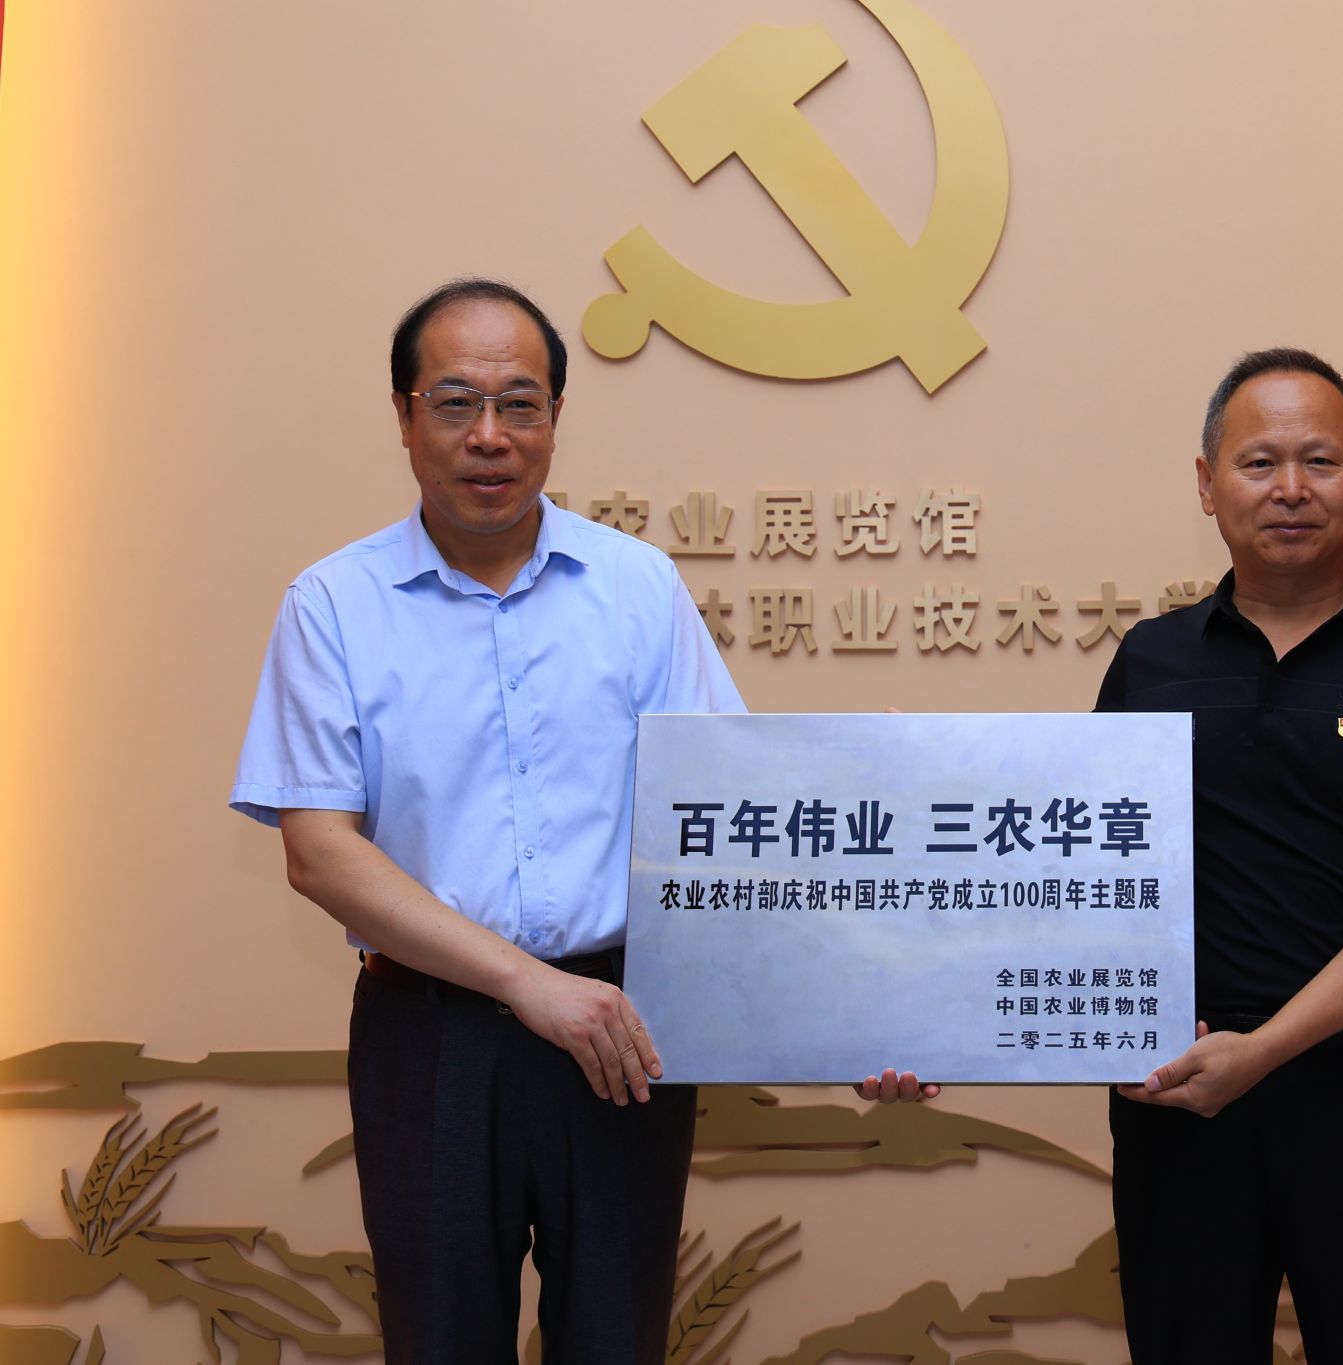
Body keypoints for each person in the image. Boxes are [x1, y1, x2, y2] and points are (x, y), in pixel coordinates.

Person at [229, 279, 931, 1364]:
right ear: (405, 416)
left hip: (621, 1032)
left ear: (556, 417)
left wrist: (855, 1015)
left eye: (521, 403)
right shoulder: (334, 604)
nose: (490, 435)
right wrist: (526, 984)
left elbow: (731, 823)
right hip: (431, 1037)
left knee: (615, 1341)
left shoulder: (636, 587)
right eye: (456, 403)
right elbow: (320, 853)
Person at [1096, 348, 1343, 1362]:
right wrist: (940, 1027)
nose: (1290, 488)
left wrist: (1265, 1051)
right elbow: (1090, 882)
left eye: (1320, 461)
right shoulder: (1149, 663)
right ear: (1207, 484)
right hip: (1180, 1098)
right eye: (1258, 462)